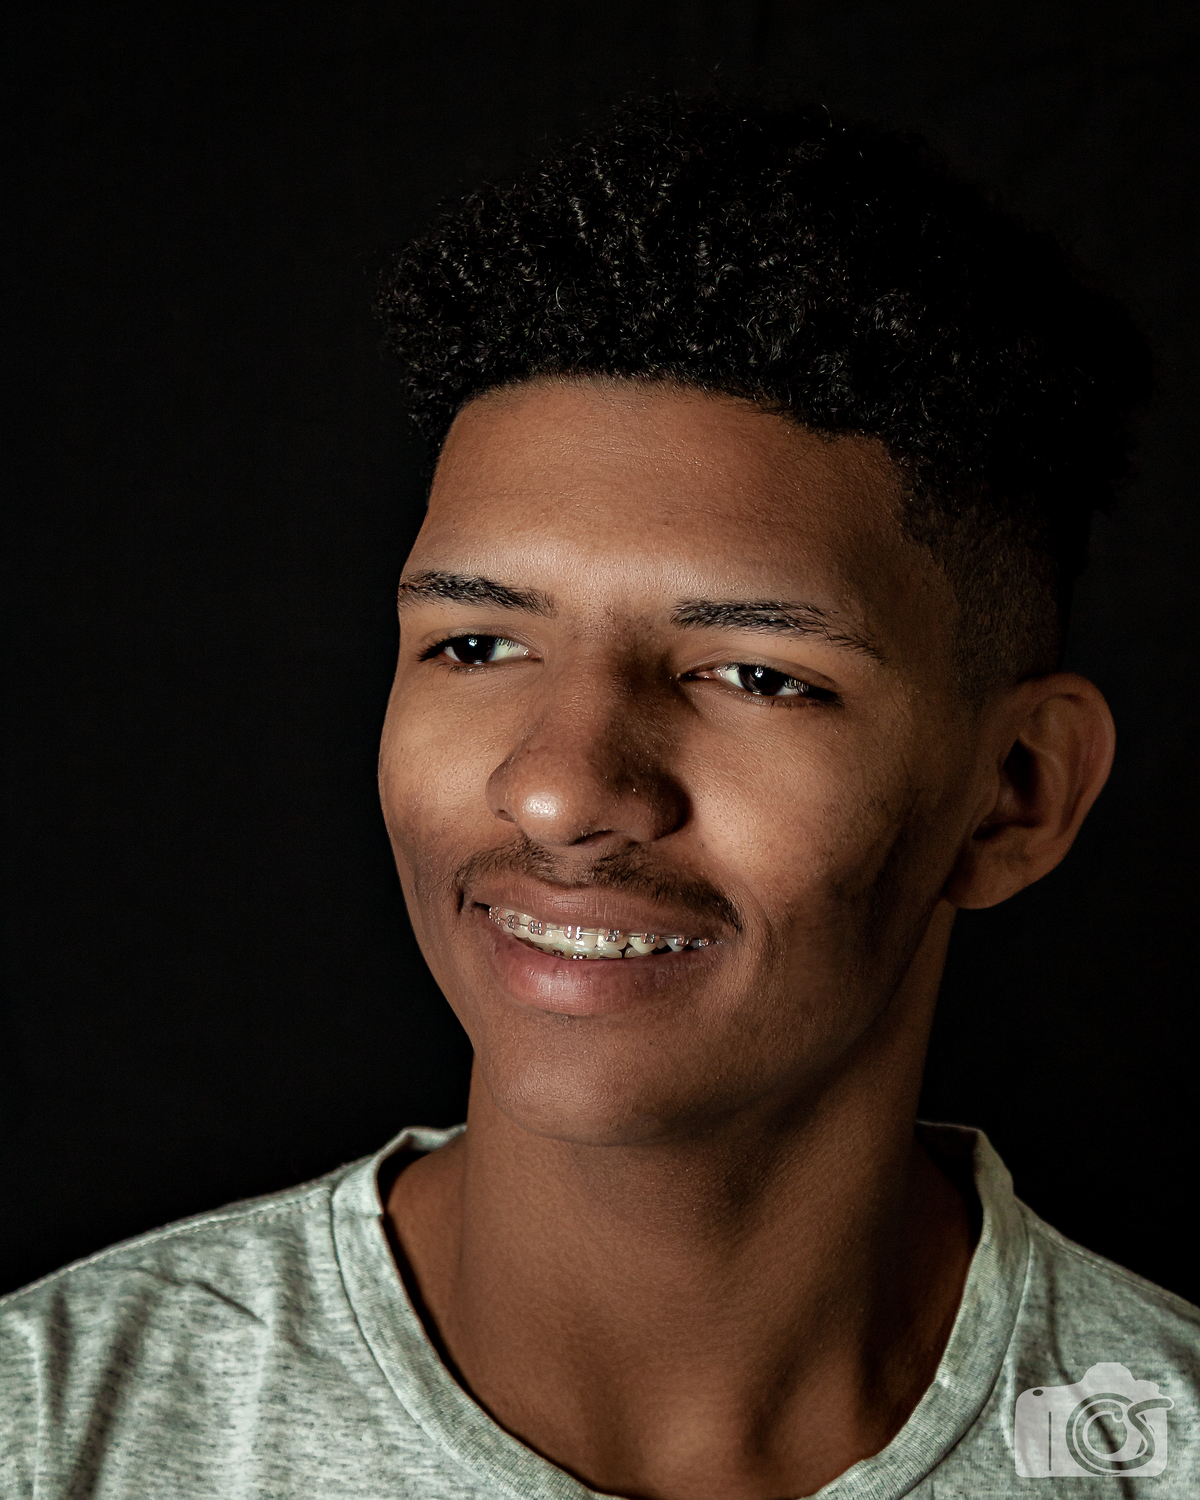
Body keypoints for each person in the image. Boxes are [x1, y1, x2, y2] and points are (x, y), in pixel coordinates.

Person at [2, 94, 1196, 1500]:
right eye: (478, 645)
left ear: (1015, 794)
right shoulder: (51, 1431)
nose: (560, 791)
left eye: (756, 675)